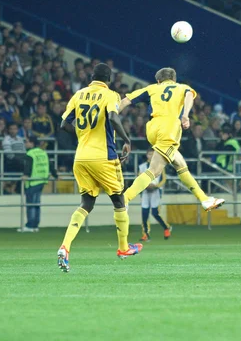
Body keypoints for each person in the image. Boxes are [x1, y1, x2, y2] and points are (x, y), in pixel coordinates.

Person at [57, 63, 140, 272]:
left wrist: (84, 135)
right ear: (109, 79)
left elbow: (64, 124)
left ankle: (65, 247)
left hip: (81, 157)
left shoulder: (78, 94)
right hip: (103, 155)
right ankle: (123, 248)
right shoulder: (110, 95)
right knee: (119, 200)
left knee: (86, 203)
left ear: (91, 77)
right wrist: (127, 139)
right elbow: (113, 117)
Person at [118, 67, 225, 211]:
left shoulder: (152, 88)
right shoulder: (182, 87)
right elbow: (189, 96)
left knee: (181, 165)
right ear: (174, 79)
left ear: (159, 80)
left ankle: (204, 199)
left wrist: (108, 117)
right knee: (154, 171)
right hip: (169, 129)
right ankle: (125, 198)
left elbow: (125, 101)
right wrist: (185, 115)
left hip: (152, 128)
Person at [19, 136, 58, 233]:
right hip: (42, 180)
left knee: (31, 204)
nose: (25, 144)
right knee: (36, 204)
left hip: (32, 181)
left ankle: (30, 225)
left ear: (32, 143)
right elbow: (50, 164)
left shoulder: (30, 154)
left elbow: (28, 167)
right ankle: (35, 225)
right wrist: (56, 175)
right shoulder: (43, 152)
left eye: (26, 142)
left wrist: (26, 175)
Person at [138, 149, 171, 241]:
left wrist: (157, 186)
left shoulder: (160, 166)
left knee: (155, 213)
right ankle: (145, 234)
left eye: (153, 154)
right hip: (145, 191)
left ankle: (166, 228)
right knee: (144, 213)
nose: (151, 156)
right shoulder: (142, 167)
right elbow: (139, 178)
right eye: (149, 154)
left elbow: (164, 179)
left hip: (155, 191)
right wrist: (145, 185)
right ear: (146, 155)